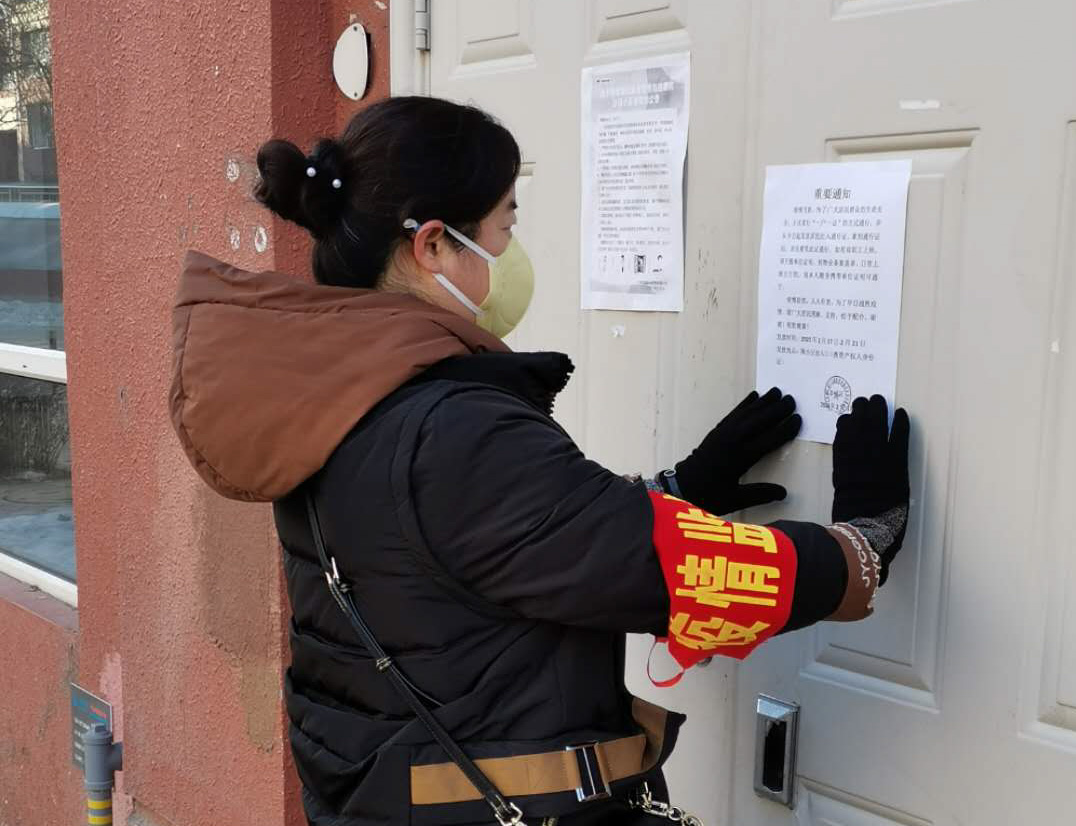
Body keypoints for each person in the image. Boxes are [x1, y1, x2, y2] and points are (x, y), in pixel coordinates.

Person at [169, 96, 910, 826]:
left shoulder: (333, 398)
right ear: (433, 246)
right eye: (505, 226)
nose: (511, 253)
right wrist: (857, 551)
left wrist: (678, 489)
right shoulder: (451, 428)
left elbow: (477, 551)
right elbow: (669, 572)